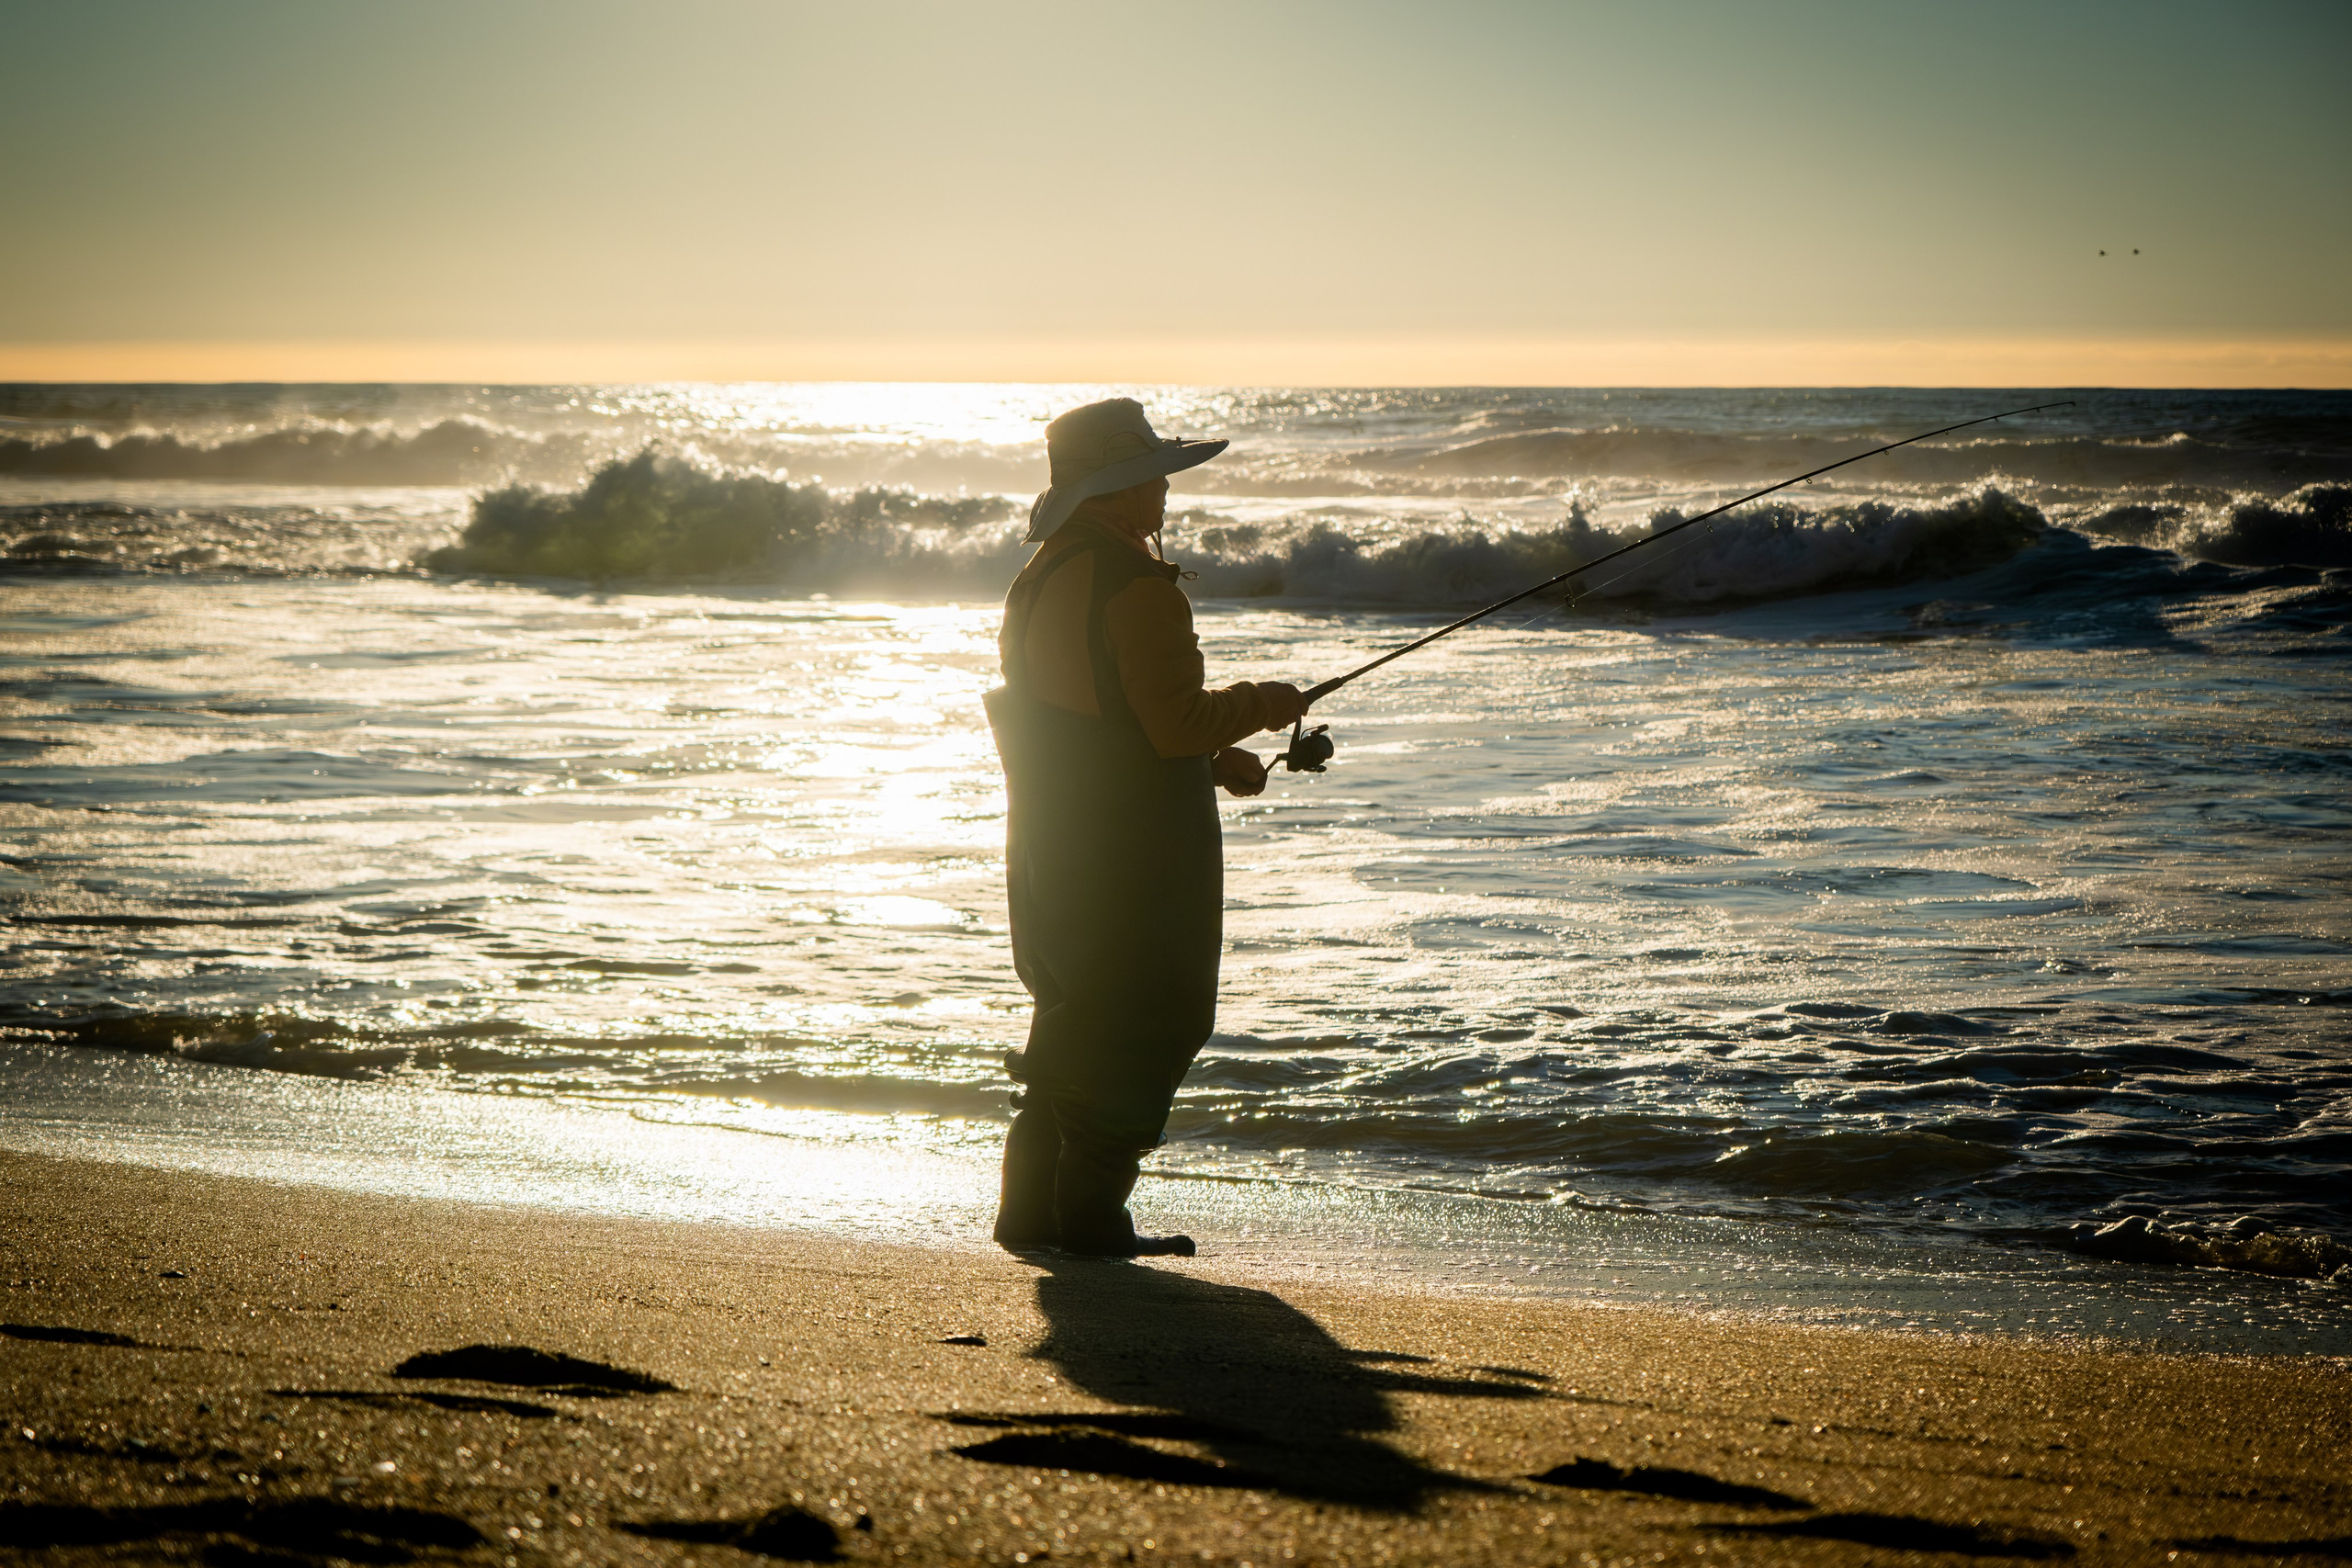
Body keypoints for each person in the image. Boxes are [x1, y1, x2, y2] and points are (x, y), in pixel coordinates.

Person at [984, 399, 1306, 1257]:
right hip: (1131, 853)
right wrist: (1263, 707)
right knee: (1148, 1016)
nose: (1163, 487)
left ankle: (1029, 1214)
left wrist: (1211, 760)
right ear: (1117, 487)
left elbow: (1089, 718)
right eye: (1150, 474)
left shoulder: (1042, 576)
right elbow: (1169, 721)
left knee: (1072, 1013)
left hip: (1052, 840)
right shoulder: (1135, 587)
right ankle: (1088, 1220)